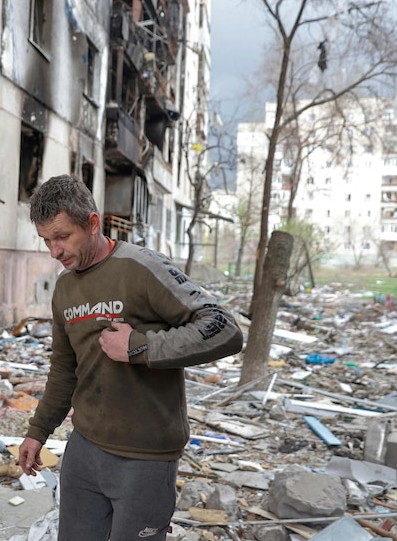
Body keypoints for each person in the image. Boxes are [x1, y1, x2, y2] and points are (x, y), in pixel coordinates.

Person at [18, 175, 244, 541]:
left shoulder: (142, 268)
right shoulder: (64, 289)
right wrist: (38, 431)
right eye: (46, 240)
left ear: (92, 223)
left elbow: (224, 328)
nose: (54, 251)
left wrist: (141, 346)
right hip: (84, 451)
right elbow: (63, 370)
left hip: (145, 459)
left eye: (62, 237)